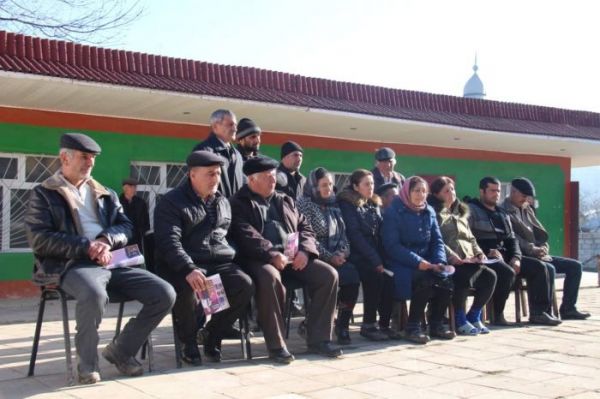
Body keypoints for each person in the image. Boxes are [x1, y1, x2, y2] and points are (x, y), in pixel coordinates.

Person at [25, 133, 175, 384]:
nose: (90, 163)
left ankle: (121, 350)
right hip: (71, 264)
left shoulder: (105, 193)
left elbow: (126, 226)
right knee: (94, 294)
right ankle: (87, 365)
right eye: (84, 157)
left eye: (92, 158)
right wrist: (86, 246)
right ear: (65, 157)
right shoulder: (44, 193)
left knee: (164, 293)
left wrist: (106, 240)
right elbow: (39, 239)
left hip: (111, 260)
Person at [230, 156, 342, 363]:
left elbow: (305, 228)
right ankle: (276, 344)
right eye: (266, 177)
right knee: (270, 277)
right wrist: (271, 254)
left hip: (292, 257)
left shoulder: (285, 199)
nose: (273, 180)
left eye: (273, 176)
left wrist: (306, 252)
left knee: (329, 275)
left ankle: (319, 338)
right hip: (260, 260)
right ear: (251, 180)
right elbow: (245, 233)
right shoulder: (239, 203)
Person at [154, 151, 254, 365]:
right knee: (190, 286)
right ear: (192, 175)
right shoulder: (171, 202)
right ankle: (188, 342)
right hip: (182, 264)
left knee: (243, 284)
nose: (215, 179)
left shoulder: (222, 201)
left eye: (217, 174)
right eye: (210, 174)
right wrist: (188, 267)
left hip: (218, 262)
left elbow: (228, 235)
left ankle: (212, 334)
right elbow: (169, 241)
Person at [468, 177, 560, 326]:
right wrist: (485, 251)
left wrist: (516, 257)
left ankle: (538, 313)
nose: (496, 194)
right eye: (492, 190)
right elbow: (468, 237)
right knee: (507, 272)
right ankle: (497, 315)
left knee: (539, 267)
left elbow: (512, 240)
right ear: (482, 191)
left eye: (498, 191)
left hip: (506, 255)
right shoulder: (472, 210)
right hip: (486, 257)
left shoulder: (502, 214)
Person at [502, 177, 590, 320]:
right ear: (513, 191)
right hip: (520, 256)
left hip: (537, 254)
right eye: (523, 196)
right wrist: (532, 249)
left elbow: (540, 233)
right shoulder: (503, 211)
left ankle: (568, 308)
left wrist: (543, 246)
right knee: (547, 268)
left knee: (575, 266)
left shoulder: (527, 209)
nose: (525, 199)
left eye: (527, 197)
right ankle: (540, 312)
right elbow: (512, 238)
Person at [381, 176, 455, 344]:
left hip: (428, 261)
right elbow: (392, 246)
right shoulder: (394, 212)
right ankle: (413, 327)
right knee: (425, 280)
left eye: (423, 191)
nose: (420, 195)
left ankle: (436, 323)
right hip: (401, 263)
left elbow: (437, 240)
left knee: (446, 279)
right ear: (407, 191)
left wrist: (440, 261)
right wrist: (418, 262)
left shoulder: (429, 211)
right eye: (416, 191)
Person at [297, 168, 361, 345]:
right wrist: (329, 256)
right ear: (313, 186)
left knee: (352, 276)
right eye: (324, 185)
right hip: (314, 254)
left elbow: (343, 234)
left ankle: (342, 324)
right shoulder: (305, 203)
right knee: (326, 276)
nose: (328, 189)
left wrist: (343, 252)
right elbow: (307, 236)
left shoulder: (334, 203)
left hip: (336, 254)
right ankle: (314, 323)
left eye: (331, 185)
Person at [429, 176, 497, 335]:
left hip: (469, 259)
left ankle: (474, 315)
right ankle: (459, 319)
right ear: (436, 194)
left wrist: (479, 252)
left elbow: (471, 238)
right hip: (449, 261)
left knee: (491, 276)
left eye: (452, 189)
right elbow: (436, 240)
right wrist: (452, 256)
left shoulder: (460, 212)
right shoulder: (434, 213)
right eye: (446, 191)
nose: (451, 193)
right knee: (463, 276)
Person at [338, 169, 392, 341]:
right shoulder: (348, 204)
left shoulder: (373, 203)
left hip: (372, 252)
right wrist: (375, 260)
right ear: (355, 186)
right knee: (373, 274)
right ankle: (361, 325)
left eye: (372, 184)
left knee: (389, 276)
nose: (371, 187)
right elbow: (355, 235)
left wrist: (383, 257)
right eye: (366, 184)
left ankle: (383, 324)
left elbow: (381, 232)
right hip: (355, 253)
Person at [192, 109, 244, 198]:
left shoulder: (237, 155)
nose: (235, 129)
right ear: (215, 127)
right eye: (230, 125)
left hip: (235, 211)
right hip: (213, 210)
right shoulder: (204, 152)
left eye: (235, 125)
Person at [119, 178, 150, 252]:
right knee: (123, 260)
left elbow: (146, 221)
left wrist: (142, 232)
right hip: (122, 238)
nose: (134, 189)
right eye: (132, 187)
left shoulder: (141, 203)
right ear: (125, 188)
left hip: (137, 239)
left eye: (135, 187)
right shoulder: (117, 202)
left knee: (136, 260)